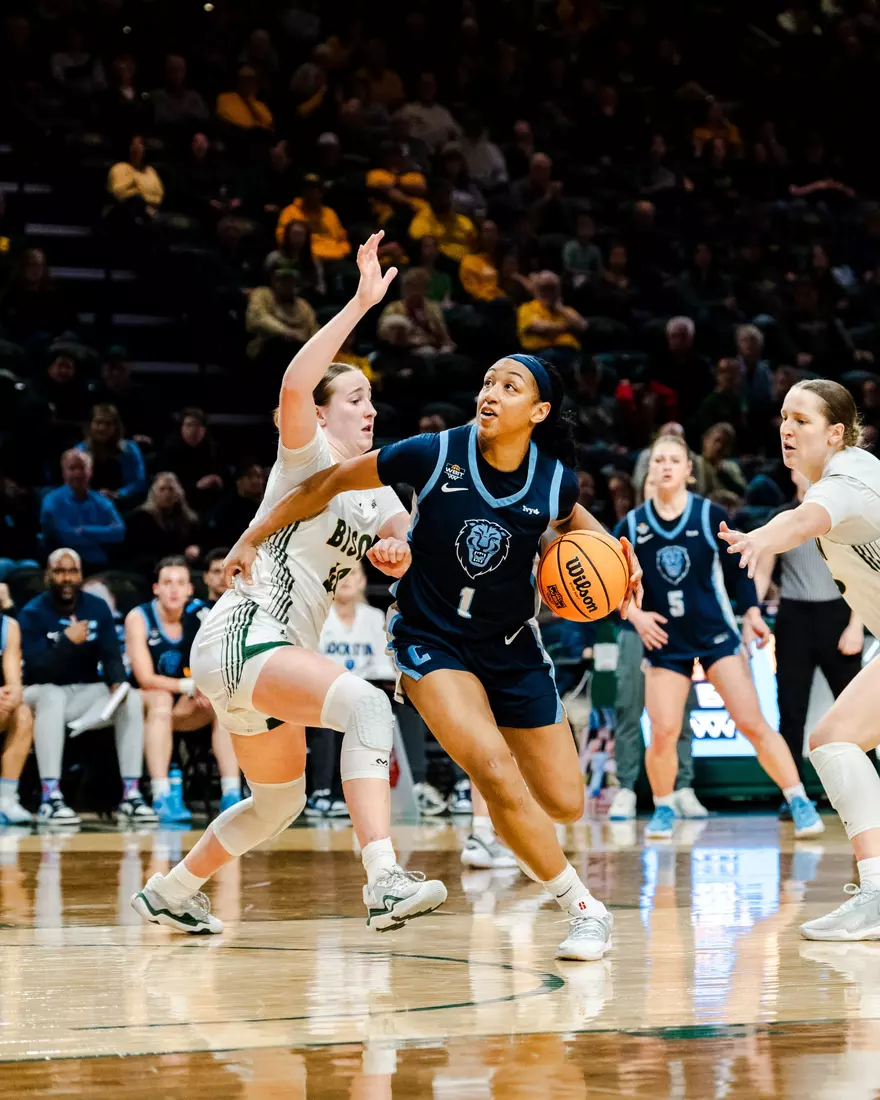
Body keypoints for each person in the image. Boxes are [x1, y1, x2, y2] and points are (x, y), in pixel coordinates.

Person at [222, 350, 644, 962]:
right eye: (487, 381)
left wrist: (612, 554)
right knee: (494, 771)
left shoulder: (554, 480)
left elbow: (571, 518)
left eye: (510, 385)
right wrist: (250, 537)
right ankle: (584, 908)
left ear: (540, 410)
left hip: (512, 645)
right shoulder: (435, 451)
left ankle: (514, 820)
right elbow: (325, 483)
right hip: (430, 636)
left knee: (565, 802)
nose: (491, 393)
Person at [131, 233, 446, 936]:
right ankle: (385, 881)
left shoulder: (374, 487)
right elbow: (295, 384)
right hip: (246, 633)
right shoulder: (306, 462)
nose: (369, 411)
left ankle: (173, 890)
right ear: (327, 414)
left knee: (279, 803)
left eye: (372, 402)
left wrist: (399, 551)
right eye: (357, 399)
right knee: (368, 709)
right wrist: (362, 304)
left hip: (260, 661)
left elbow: (407, 536)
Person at [718, 380, 880, 940]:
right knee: (833, 739)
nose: (786, 428)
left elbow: (804, 521)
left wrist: (762, 538)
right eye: (783, 416)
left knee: (834, 740)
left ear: (836, 432)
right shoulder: (842, 479)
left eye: (802, 420)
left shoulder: (849, 479)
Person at [617, 434, 824, 840]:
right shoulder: (633, 524)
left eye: (674, 459)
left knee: (752, 723)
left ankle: (798, 799)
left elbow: (738, 570)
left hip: (715, 635)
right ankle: (663, 806)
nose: (665, 466)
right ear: (650, 468)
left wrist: (750, 612)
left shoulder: (710, 515)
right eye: (658, 459)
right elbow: (615, 586)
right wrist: (636, 617)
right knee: (662, 732)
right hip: (665, 641)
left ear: (689, 471)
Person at [754, 467, 864, 818]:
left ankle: (866, 793)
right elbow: (762, 570)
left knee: (859, 715)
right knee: (791, 713)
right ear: (793, 477)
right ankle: (794, 795)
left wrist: (856, 625)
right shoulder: (783, 519)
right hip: (794, 620)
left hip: (839, 616)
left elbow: (864, 573)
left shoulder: (842, 516)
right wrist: (752, 611)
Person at [20, 548, 154, 825]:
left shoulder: (96, 607)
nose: (66, 578)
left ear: (80, 575)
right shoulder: (32, 612)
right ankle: (50, 797)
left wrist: (118, 683)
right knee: (52, 694)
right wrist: (67, 642)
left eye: (72, 571)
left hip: (82, 693)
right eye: (59, 571)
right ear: (48, 575)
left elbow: (111, 653)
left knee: (132, 698)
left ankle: (131, 795)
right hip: (37, 694)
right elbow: (34, 668)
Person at [125, 557, 242, 824]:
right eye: (167, 583)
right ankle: (161, 794)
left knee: (223, 702)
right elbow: (145, 678)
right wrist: (191, 684)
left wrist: (207, 685)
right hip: (142, 705)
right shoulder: (139, 617)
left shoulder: (202, 614)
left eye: (180, 583)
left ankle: (231, 794)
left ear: (191, 589)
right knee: (160, 698)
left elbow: (222, 662)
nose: (174, 590)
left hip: (185, 705)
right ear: (155, 588)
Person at [41, 450, 125, 571]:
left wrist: (85, 530)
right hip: (63, 563)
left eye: (82, 468)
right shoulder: (52, 500)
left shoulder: (102, 501)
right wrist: (103, 534)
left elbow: (119, 532)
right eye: (72, 468)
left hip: (100, 563)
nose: (77, 473)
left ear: (90, 472)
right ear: (64, 472)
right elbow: (67, 536)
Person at [76, 404, 147, 507]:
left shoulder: (129, 449)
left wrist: (118, 494)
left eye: (108, 424)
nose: (102, 428)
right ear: (90, 424)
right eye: (98, 422)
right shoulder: (79, 451)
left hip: (123, 502)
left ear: (116, 427)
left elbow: (139, 481)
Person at [0, 613, 34, 824]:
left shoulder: (8, 626)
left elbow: (15, 684)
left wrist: (9, 698)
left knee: (23, 714)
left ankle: (6, 799)